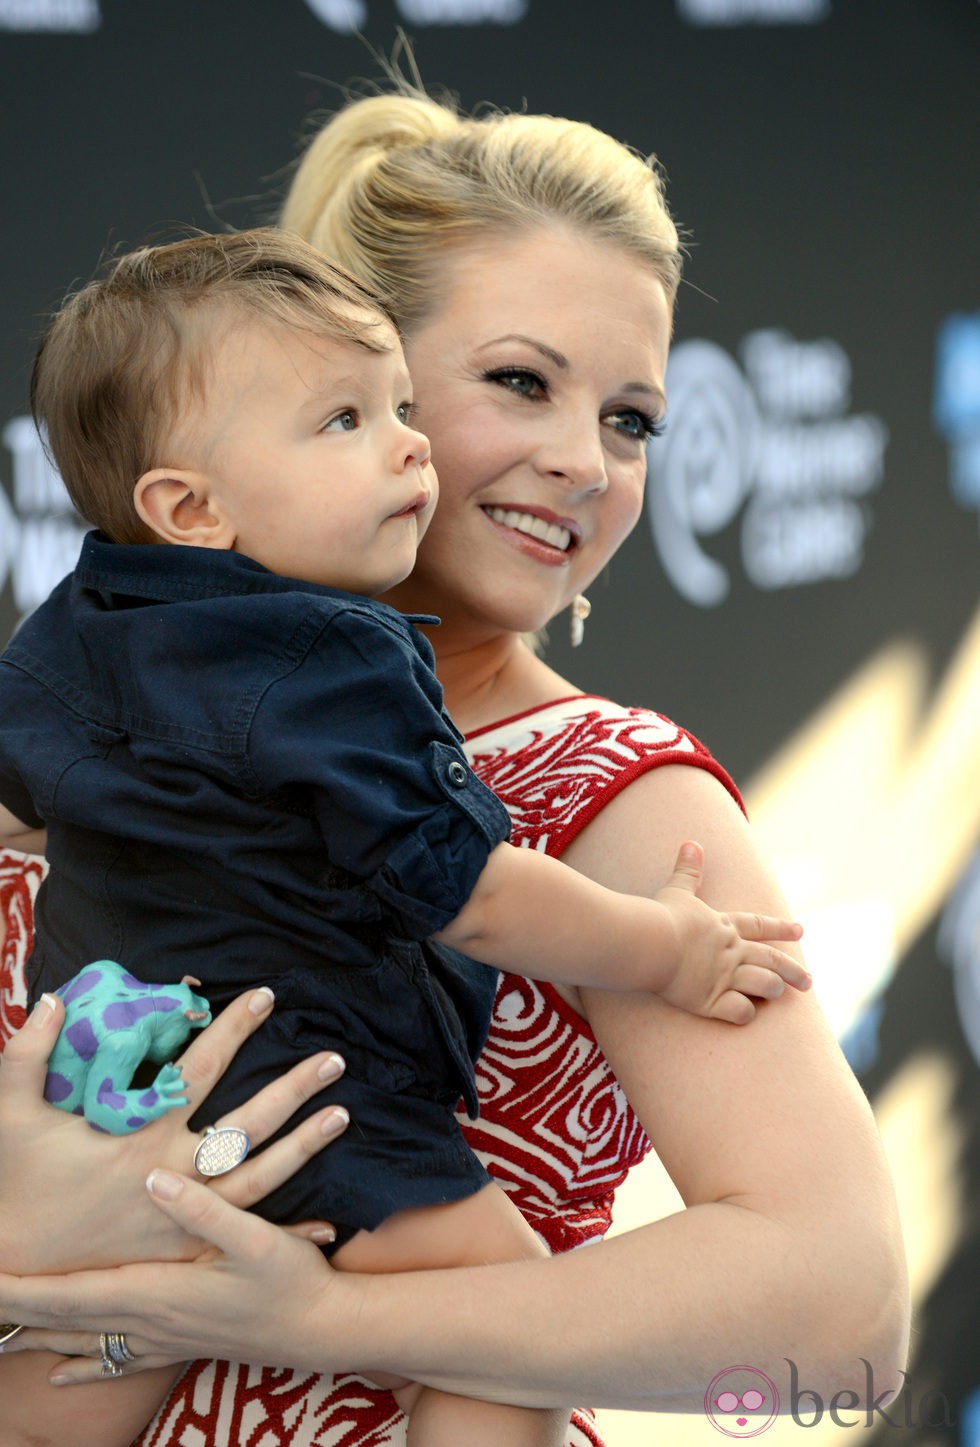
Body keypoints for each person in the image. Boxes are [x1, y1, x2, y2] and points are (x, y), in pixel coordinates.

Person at [0, 76, 909, 1447]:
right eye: (519, 383)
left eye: (631, 421)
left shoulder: (609, 787)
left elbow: (840, 1326)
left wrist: (307, 1319)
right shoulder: (90, 729)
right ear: (344, 363)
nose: (584, 464)